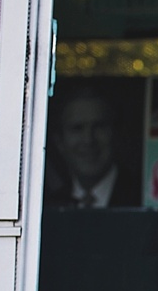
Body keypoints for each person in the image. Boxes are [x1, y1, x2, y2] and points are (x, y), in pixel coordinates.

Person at [45, 80, 141, 208]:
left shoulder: (142, 197)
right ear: (59, 142)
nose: (88, 140)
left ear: (116, 134)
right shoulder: (47, 206)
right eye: (77, 128)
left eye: (99, 127)